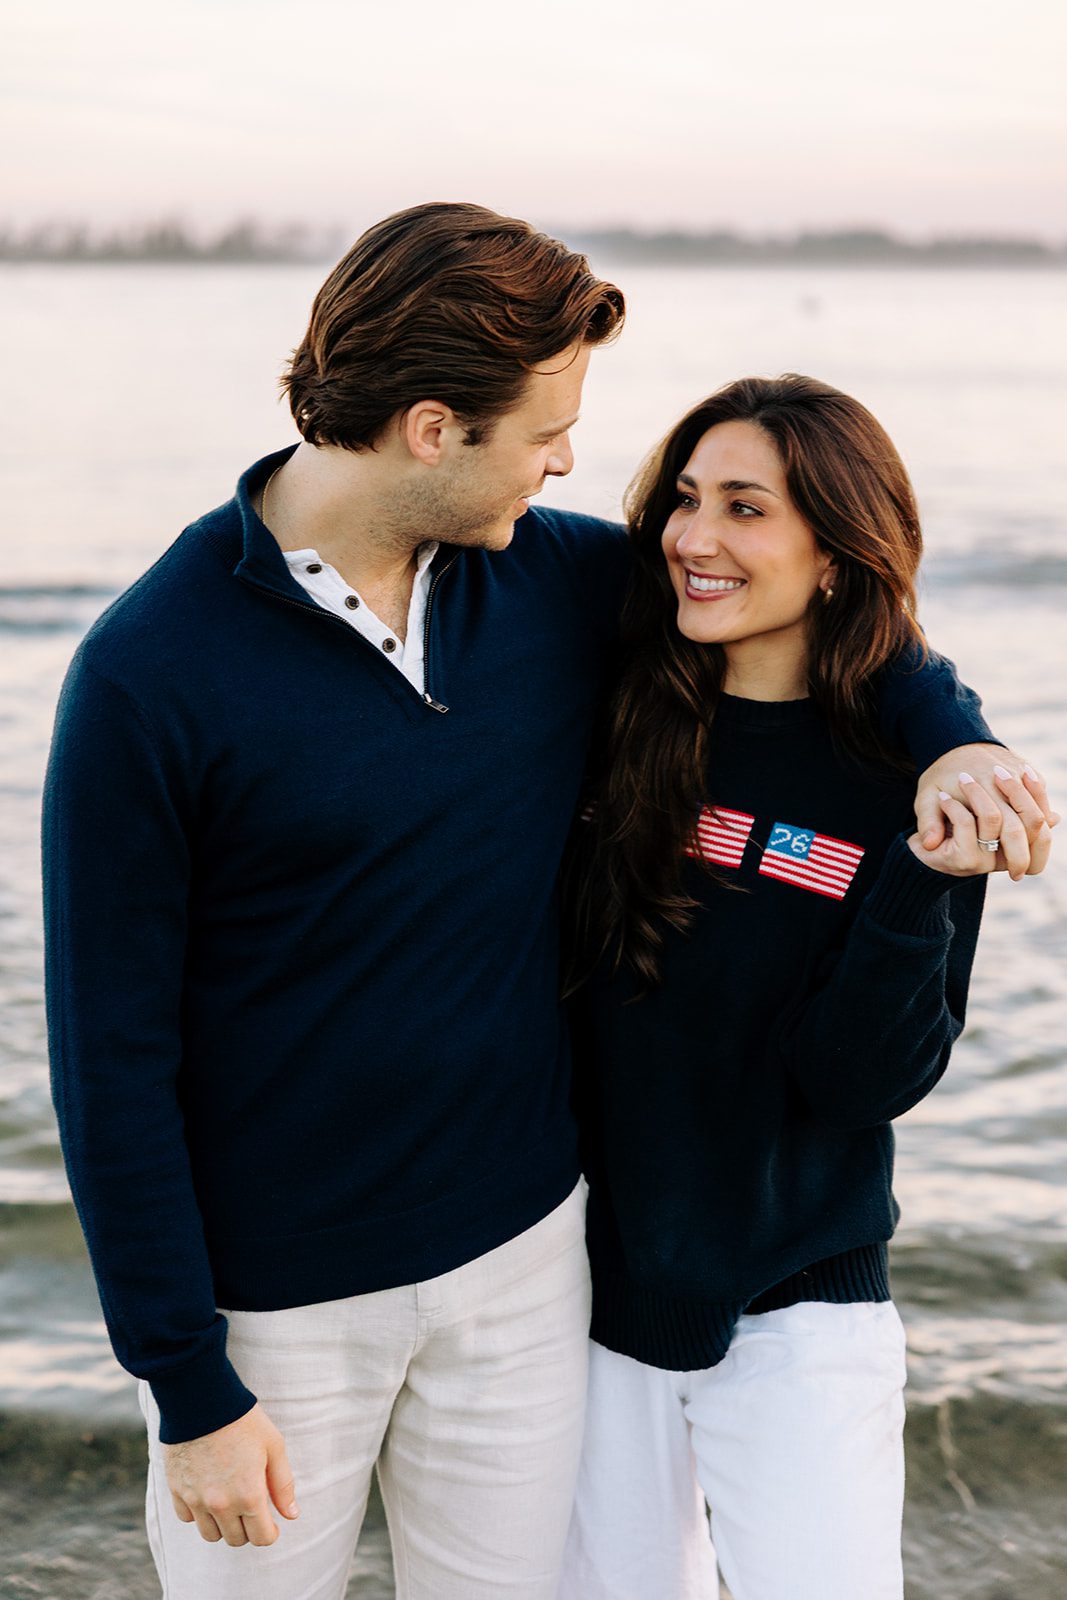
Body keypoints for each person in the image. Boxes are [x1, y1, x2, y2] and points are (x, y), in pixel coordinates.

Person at [42, 208, 1051, 1600]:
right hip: (278, 1311)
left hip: (527, 1276)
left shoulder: (547, 580)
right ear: (432, 428)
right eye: (546, 431)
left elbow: (819, 600)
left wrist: (954, 737)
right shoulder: (149, 676)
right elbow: (109, 1061)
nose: (574, 465)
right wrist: (182, 1377)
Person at [557, 374, 1054, 1600]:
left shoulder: (910, 784)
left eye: (745, 507)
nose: (695, 538)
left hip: (797, 1312)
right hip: (577, 1303)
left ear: (834, 554)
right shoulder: (611, 700)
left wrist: (909, 883)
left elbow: (859, 1083)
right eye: (683, 499)